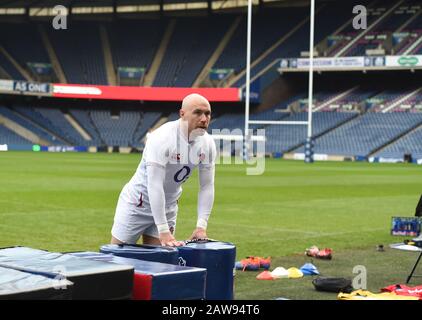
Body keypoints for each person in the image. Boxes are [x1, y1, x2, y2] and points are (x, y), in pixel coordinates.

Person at [111, 93, 216, 247]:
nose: (204, 119)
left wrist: (201, 226)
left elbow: (207, 185)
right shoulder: (162, 137)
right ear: (182, 114)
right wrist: (163, 230)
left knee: (158, 262)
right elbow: (154, 185)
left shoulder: (207, 143)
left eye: (207, 114)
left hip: (168, 205)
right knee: (117, 258)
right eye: (197, 112)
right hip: (138, 203)